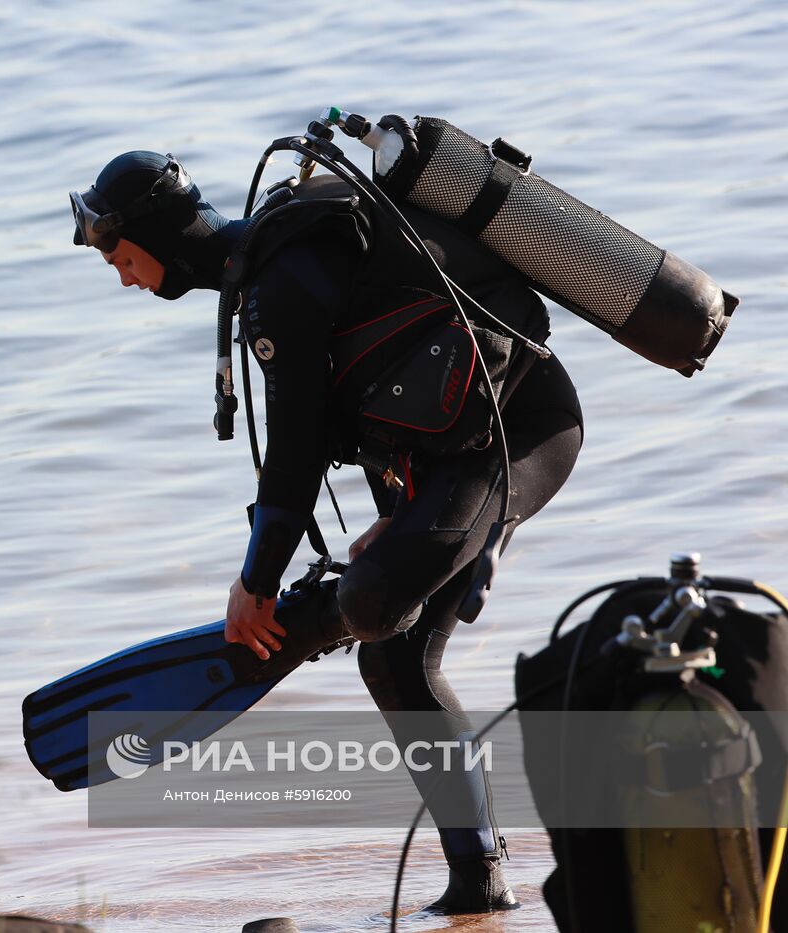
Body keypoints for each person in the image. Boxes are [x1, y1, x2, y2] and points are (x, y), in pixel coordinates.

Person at [69, 148, 583, 913]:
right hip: (451, 450)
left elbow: (299, 446)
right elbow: (384, 385)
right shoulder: (275, 266)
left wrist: (259, 584)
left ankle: (314, 622)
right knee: (393, 657)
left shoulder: (280, 281)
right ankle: (479, 883)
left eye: (116, 253)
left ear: (147, 233)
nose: (119, 274)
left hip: (519, 434)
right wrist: (392, 518)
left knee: (377, 611)